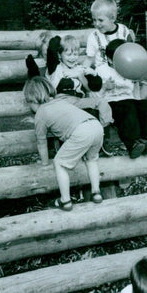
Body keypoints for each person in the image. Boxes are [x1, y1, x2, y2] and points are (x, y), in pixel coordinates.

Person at [22, 76, 104, 211]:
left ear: (32, 100)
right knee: (92, 160)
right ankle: (96, 193)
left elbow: (41, 141)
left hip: (81, 131)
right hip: (96, 125)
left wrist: (44, 163)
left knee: (59, 163)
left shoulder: (41, 113)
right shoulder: (61, 102)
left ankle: (65, 201)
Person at [27, 34, 113, 129]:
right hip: (62, 102)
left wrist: (82, 75)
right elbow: (53, 46)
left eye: (75, 54)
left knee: (102, 103)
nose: (72, 58)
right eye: (68, 55)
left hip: (78, 101)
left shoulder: (79, 68)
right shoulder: (55, 68)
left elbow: (95, 85)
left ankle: (102, 130)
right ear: (60, 55)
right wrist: (63, 41)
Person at [95, 38, 147, 158]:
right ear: (109, 59)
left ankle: (143, 141)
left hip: (130, 101)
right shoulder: (101, 70)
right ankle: (132, 145)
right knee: (128, 107)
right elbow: (94, 95)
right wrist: (104, 87)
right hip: (111, 104)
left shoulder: (131, 66)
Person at [85, 0, 135, 70]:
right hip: (104, 74)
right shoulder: (93, 37)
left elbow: (131, 52)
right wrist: (82, 70)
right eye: (94, 20)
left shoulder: (123, 30)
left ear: (112, 18)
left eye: (100, 20)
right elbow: (89, 59)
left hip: (123, 70)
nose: (97, 24)